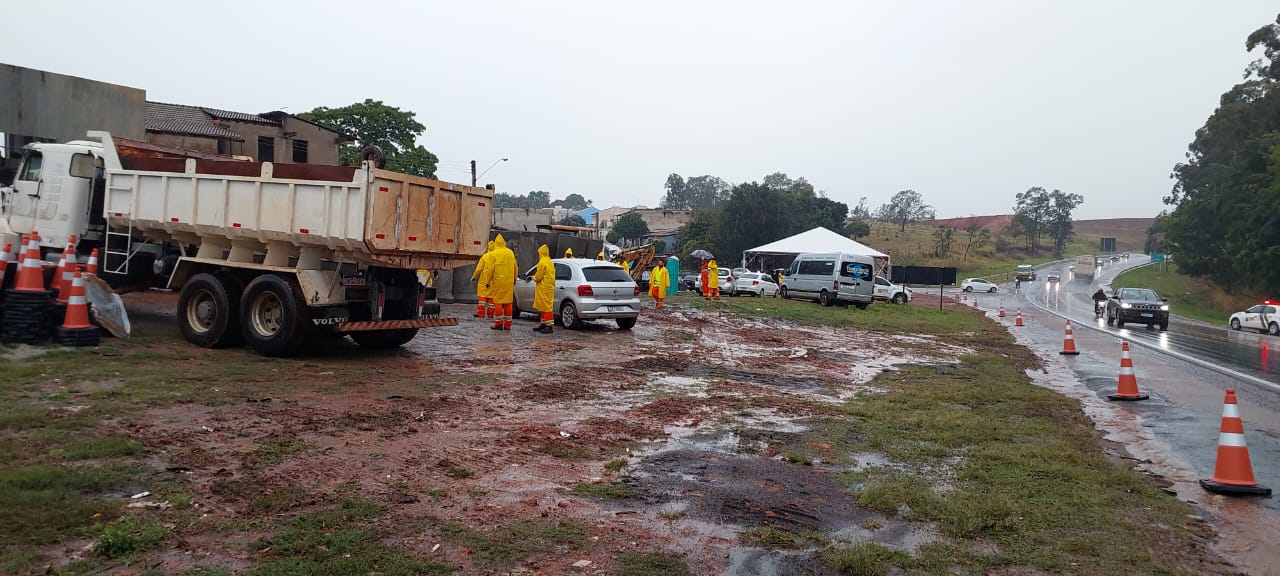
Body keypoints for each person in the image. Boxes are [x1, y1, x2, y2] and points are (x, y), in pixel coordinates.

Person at [485, 234, 518, 330]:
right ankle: (508, 325)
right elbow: (515, 267)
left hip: (498, 281)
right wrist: (515, 278)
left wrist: (488, 281)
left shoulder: (493, 254)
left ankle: (498, 323)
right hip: (509, 281)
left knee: (498, 302)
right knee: (508, 302)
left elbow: (490, 269)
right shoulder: (510, 253)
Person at [532, 244, 556, 333]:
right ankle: (544, 324)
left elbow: (538, 276)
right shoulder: (549, 261)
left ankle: (549, 326)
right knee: (544, 306)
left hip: (543, 287)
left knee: (546, 307)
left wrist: (533, 278)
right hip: (548, 287)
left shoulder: (542, 262)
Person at [470, 241, 495, 318]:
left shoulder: (485, 256)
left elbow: (479, 269)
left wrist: (474, 276)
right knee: (491, 298)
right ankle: (490, 314)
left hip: (484, 279)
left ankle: (481, 313)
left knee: (482, 298)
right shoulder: (496, 256)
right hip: (493, 280)